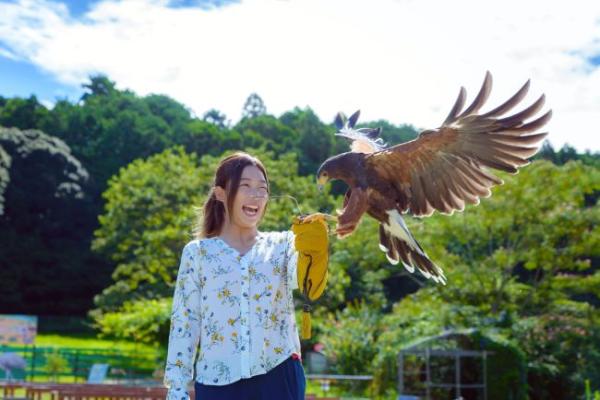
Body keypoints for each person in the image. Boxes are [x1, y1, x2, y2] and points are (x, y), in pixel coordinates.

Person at [163, 151, 329, 400]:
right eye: (246, 186)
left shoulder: (284, 244)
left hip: (279, 376)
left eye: (263, 188)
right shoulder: (197, 254)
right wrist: (176, 390)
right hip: (217, 383)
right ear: (220, 193)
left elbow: (308, 283)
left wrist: (315, 251)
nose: (257, 195)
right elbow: (185, 324)